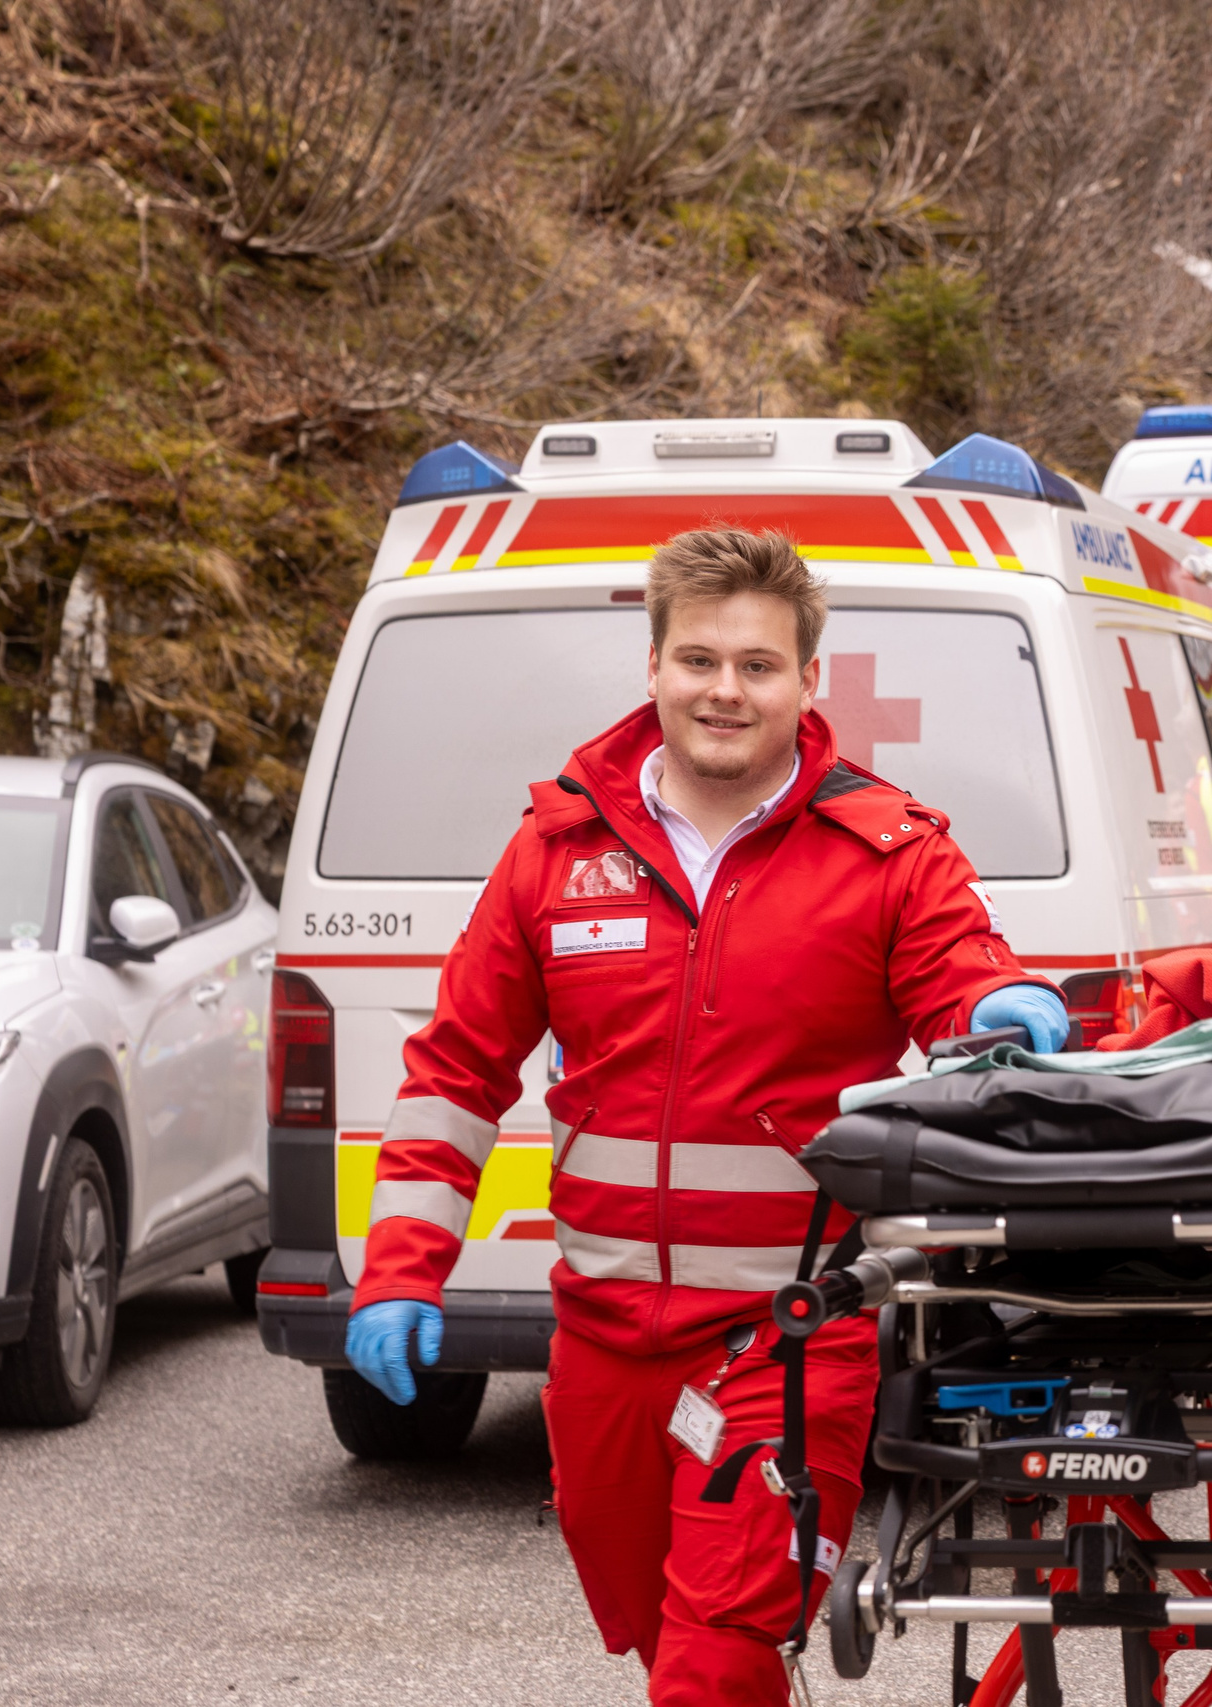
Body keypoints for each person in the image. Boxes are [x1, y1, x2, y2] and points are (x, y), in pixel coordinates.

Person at [341, 530, 1068, 1707]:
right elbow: (454, 1071)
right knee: (649, 1625)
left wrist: (1000, 999)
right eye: (699, 659)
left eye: (759, 665)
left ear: (806, 682)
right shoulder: (556, 851)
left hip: (791, 1336)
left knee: (718, 1654)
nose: (725, 689)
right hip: (601, 1337)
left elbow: (958, 977)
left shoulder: (886, 852)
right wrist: (399, 1271)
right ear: (654, 668)